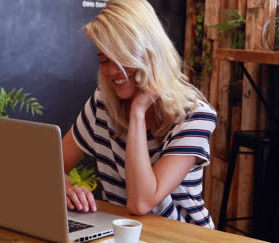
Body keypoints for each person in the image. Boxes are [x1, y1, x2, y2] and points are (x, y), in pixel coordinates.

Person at [62, 0, 217, 229]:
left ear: (150, 53)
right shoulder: (102, 104)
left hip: (184, 242)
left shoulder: (195, 116)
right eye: (104, 60)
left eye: (123, 58)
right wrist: (63, 188)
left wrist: (137, 113)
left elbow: (141, 203)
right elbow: (50, 166)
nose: (113, 71)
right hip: (121, 238)